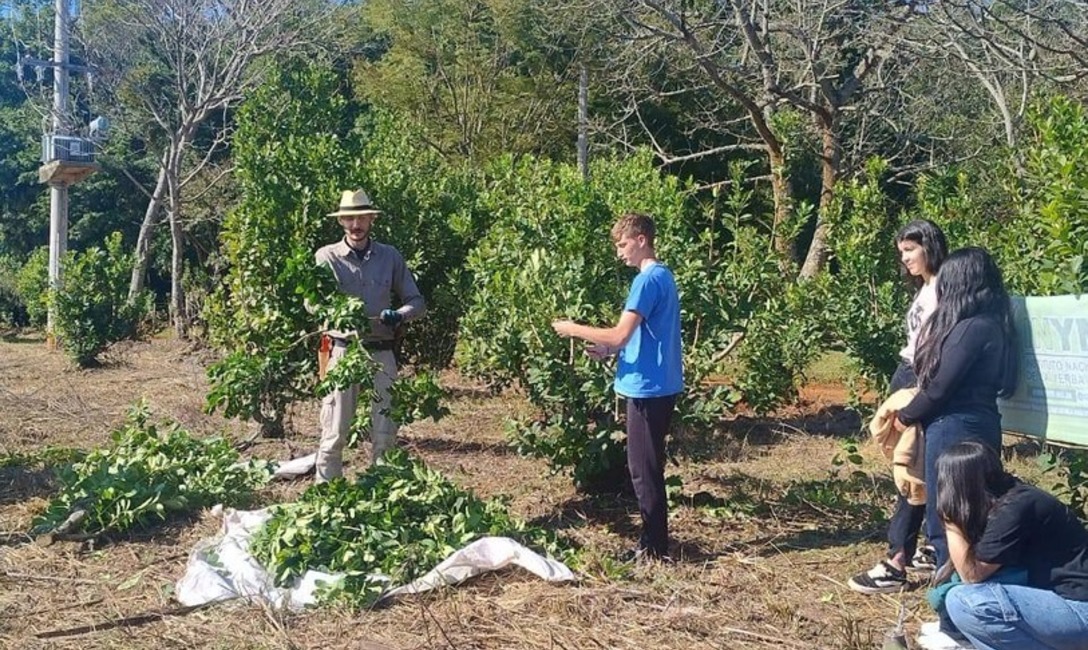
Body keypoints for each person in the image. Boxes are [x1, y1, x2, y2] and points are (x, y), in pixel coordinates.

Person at [552, 213, 683, 561]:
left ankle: (654, 549)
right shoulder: (663, 276)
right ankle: (654, 544)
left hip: (647, 389)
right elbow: (637, 336)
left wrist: (574, 328)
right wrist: (609, 350)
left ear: (642, 240)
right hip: (659, 385)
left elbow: (620, 333)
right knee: (647, 467)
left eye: (623, 245)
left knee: (643, 471)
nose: (620, 253)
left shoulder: (646, 281)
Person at [896, 247, 1018, 574]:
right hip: (983, 423)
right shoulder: (996, 325)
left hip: (954, 427)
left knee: (948, 514)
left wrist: (906, 415)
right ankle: (964, 584)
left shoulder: (970, 329)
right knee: (975, 510)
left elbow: (939, 388)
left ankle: (949, 597)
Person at [850, 219, 948, 594]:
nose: (904, 259)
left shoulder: (943, 289)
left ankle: (897, 560)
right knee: (911, 467)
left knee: (910, 470)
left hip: (919, 378)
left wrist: (918, 393)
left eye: (910, 250)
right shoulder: (925, 288)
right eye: (901, 252)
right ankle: (922, 547)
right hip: (907, 373)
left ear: (930, 246)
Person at [314, 189, 425, 482]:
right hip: (342, 350)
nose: (355, 225)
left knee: (386, 431)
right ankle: (325, 497)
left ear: (371, 219)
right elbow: (312, 301)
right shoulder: (326, 257)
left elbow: (416, 301)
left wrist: (399, 314)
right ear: (341, 222)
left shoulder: (390, 256)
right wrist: (336, 313)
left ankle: (382, 493)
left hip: (381, 350)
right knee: (334, 430)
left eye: (361, 217)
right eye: (349, 219)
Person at [936, 441, 1088, 650]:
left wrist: (950, 520)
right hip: (1067, 606)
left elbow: (971, 575)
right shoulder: (1010, 499)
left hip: (1080, 610)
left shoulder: (1015, 507)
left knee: (963, 601)